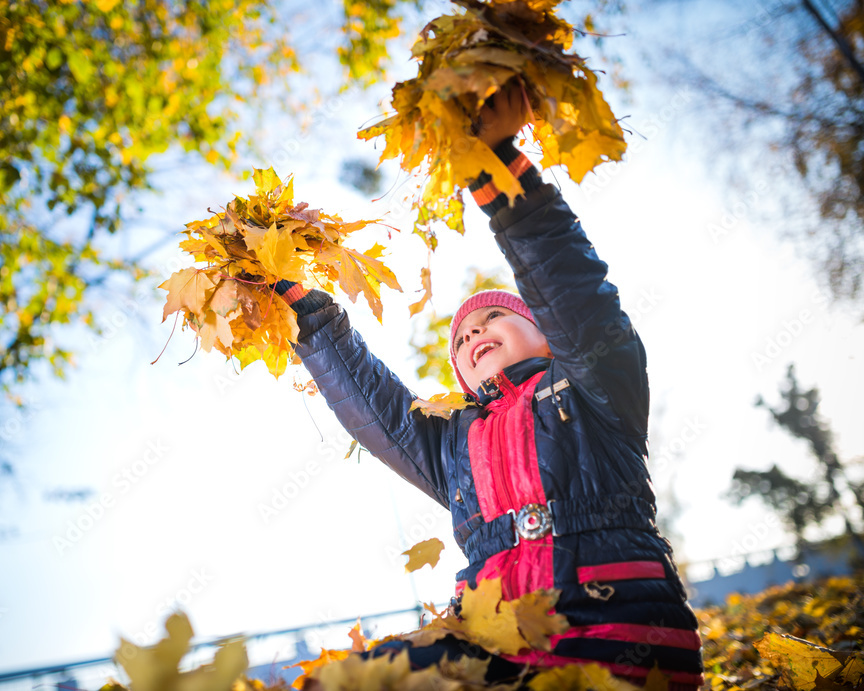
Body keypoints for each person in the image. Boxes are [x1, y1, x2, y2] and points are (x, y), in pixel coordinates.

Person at [272, 84, 703, 689]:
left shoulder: (592, 385)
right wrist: (306, 313)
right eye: (459, 338)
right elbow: (377, 408)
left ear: (546, 335)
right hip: (495, 644)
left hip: (619, 630)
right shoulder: (452, 443)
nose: (472, 333)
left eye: (493, 317)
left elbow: (573, 293)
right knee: (350, 682)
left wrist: (501, 177)